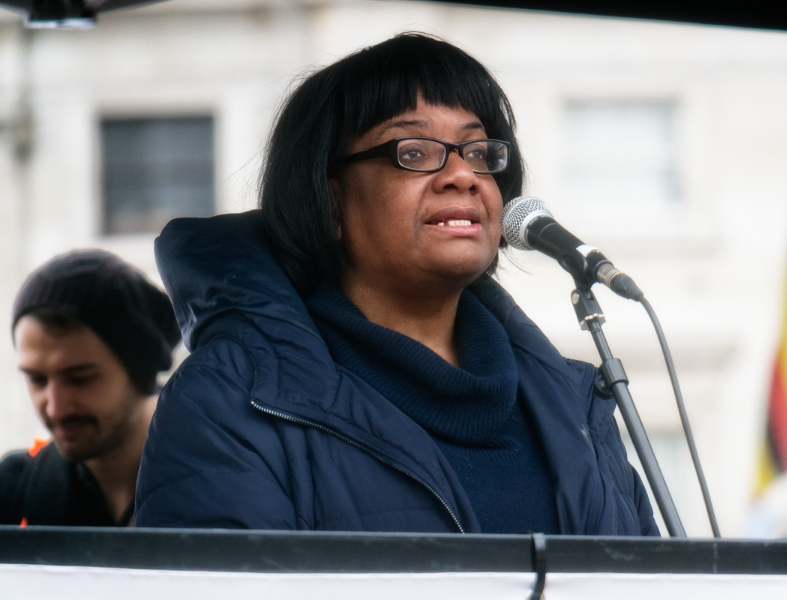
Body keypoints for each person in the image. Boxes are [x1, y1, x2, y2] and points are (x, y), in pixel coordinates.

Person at [136, 33, 659, 535]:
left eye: (478, 152)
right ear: (327, 197)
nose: (462, 175)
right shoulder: (230, 400)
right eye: (413, 151)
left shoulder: (576, 407)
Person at [0, 250, 181, 527]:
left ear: (139, 372)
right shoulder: (14, 491)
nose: (55, 407)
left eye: (80, 378)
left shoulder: (223, 482)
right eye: (36, 379)